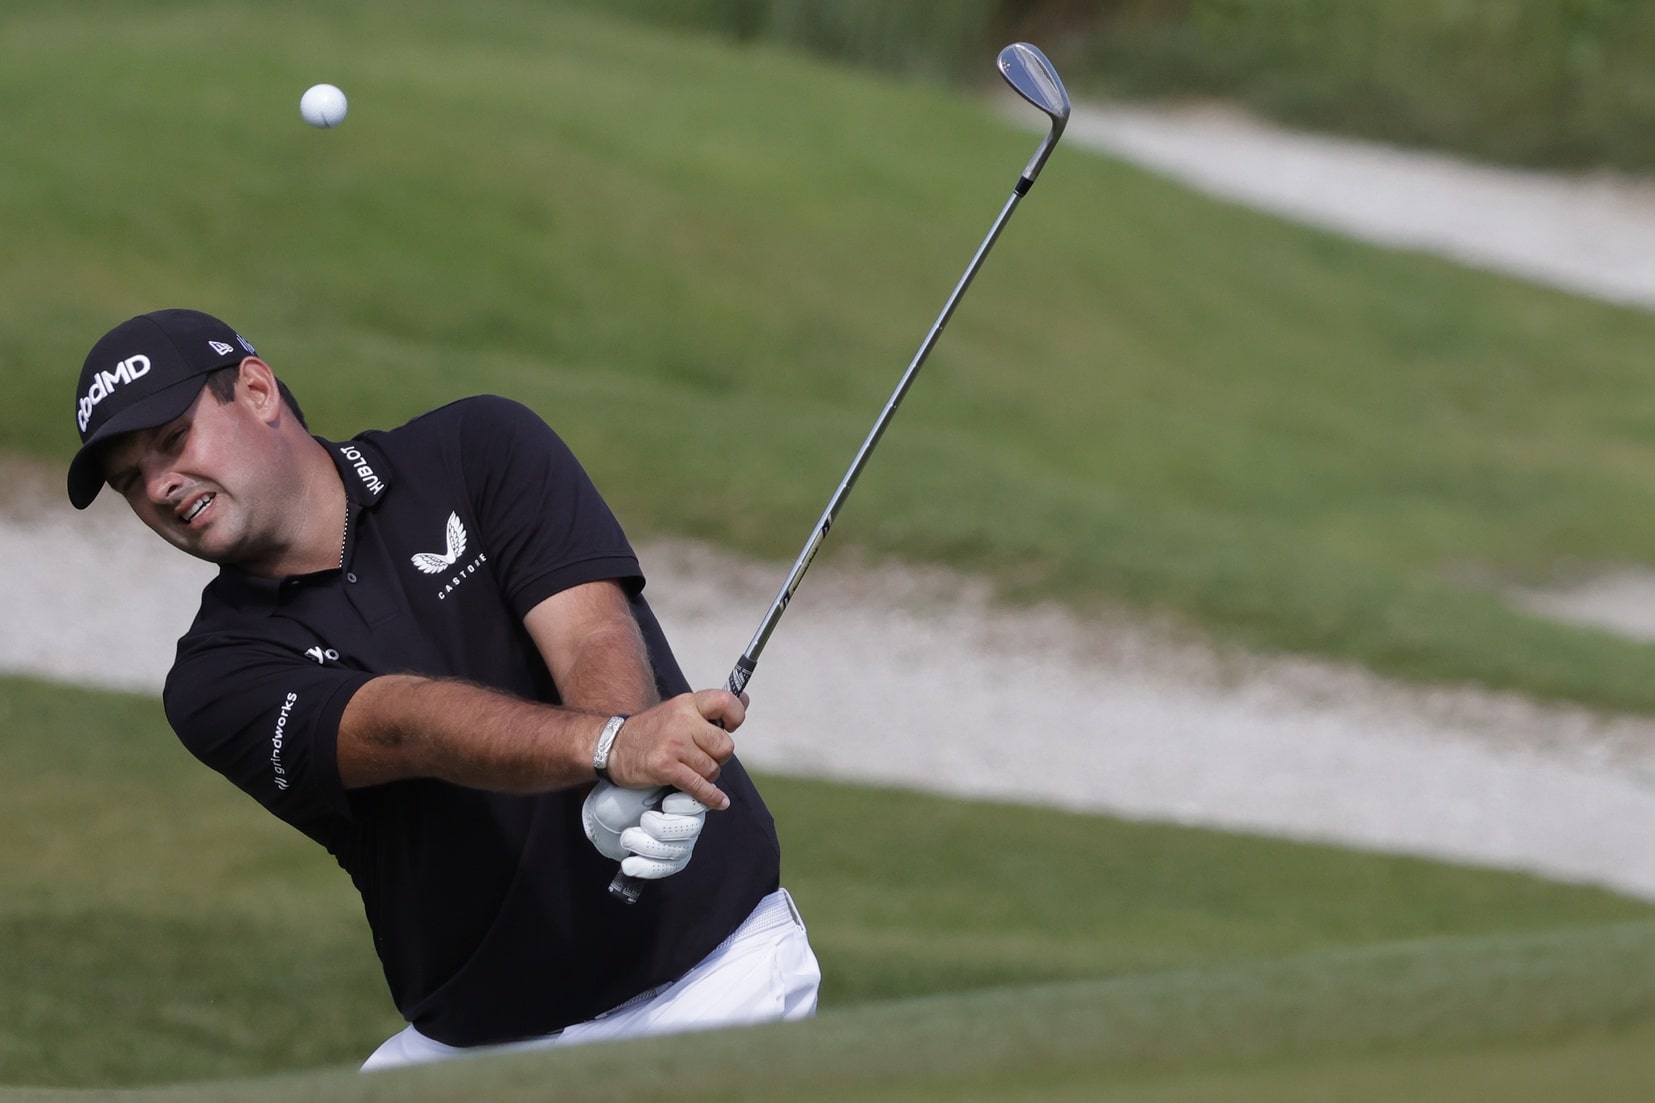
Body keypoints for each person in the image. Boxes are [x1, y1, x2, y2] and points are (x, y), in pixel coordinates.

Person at [66, 308, 820, 1070]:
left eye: (173, 440)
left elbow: (591, 630)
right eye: (132, 480)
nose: (159, 485)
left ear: (257, 390)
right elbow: (400, 725)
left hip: (717, 980)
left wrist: (626, 760)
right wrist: (609, 747)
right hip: (483, 1048)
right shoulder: (215, 675)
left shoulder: (475, 448)